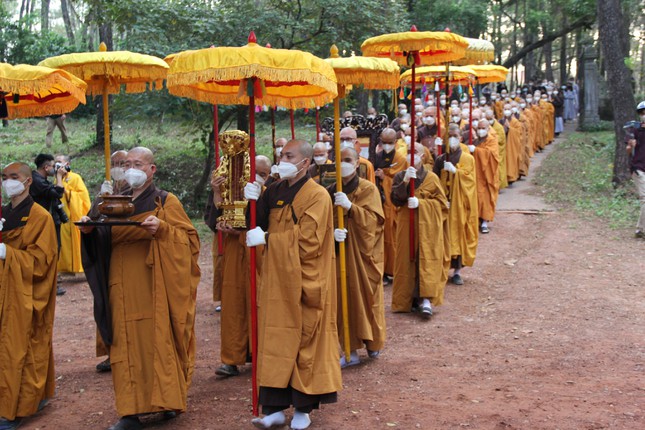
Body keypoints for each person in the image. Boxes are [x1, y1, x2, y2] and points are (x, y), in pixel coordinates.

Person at [78, 147, 200, 430]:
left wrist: (164, 229)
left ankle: (167, 401)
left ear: (152, 169)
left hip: (155, 282)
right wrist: (89, 231)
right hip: (120, 282)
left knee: (159, 340)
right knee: (125, 345)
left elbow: (190, 242)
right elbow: (99, 234)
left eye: (138, 164)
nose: (131, 168)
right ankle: (130, 412)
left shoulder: (164, 201)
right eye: (127, 163)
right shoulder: (110, 202)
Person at [244, 139, 342, 430]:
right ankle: (273, 408)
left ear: (306, 162)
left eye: (289, 155)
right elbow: (257, 222)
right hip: (277, 279)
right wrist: (251, 198)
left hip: (305, 278)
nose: (282, 159)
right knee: (275, 339)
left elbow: (309, 240)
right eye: (281, 154)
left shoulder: (318, 195)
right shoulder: (274, 189)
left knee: (304, 341)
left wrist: (270, 240)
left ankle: (303, 410)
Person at [0, 162, 58, 430]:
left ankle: (14, 410)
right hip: (4, 292)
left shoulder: (39, 217)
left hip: (23, 296)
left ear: (27, 181)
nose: (7, 182)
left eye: (13, 177)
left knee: (19, 349)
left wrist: (7, 253)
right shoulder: (5, 214)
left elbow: (41, 261)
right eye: (4, 177)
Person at [327, 147, 386, 368]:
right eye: (339, 160)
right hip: (339, 252)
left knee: (367, 299)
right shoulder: (330, 190)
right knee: (343, 301)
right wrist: (332, 231)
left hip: (361, 255)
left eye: (348, 160)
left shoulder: (367, 189)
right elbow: (322, 221)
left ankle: (372, 343)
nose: (343, 164)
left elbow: (374, 223)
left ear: (357, 163)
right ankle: (349, 350)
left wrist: (351, 208)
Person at [391, 142, 450, 318]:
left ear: (423, 156)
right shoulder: (400, 175)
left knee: (426, 259)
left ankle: (426, 299)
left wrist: (422, 204)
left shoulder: (431, 178)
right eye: (408, 152)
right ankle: (407, 299)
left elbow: (442, 204)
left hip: (427, 227)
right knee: (406, 260)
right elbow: (395, 199)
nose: (411, 155)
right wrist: (406, 181)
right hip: (406, 225)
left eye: (414, 152)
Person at [433, 125, 479, 285]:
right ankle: (443, 268)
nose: (452, 138)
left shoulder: (468, 158)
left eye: (455, 136)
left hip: (459, 204)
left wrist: (456, 172)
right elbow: (435, 180)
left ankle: (458, 271)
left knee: (459, 234)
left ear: (460, 138)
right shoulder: (441, 159)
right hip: (444, 203)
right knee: (443, 236)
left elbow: (470, 180)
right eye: (449, 136)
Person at [30, 153, 67, 296]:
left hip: (50, 220)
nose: (55, 169)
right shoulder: (36, 181)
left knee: (54, 250)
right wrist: (58, 177)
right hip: (43, 222)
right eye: (53, 166)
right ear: (46, 167)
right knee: (48, 251)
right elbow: (57, 193)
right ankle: (47, 283)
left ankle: (51, 281)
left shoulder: (42, 179)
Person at [373, 128, 407, 283]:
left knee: (392, 237)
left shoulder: (400, 158)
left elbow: (401, 181)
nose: (387, 145)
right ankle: (383, 270)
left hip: (392, 204)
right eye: (384, 142)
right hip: (380, 201)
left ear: (395, 142)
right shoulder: (377, 156)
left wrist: (385, 177)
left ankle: (393, 270)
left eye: (390, 143)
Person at [54, 155, 91, 275]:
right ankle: (65, 267)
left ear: (67, 164)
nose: (57, 164)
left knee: (75, 242)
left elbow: (82, 196)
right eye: (56, 162)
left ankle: (78, 267)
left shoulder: (75, 178)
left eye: (60, 162)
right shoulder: (57, 179)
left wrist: (67, 191)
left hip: (74, 214)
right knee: (63, 243)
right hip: (62, 214)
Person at [470, 119, 500, 234]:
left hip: (488, 174)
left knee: (486, 198)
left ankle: (485, 222)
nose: (481, 130)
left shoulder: (492, 140)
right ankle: (477, 219)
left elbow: (491, 155)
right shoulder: (477, 140)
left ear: (488, 129)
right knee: (477, 198)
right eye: (479, 128)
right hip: (477, 174)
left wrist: (476, 150)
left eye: (483, 128)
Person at [627, 101, 645, 238]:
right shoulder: (634, 130)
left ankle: (640, 229)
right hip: (639, 169)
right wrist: (630, 146)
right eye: (642, 113)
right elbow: (628, 150)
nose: (644, 115)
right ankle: (641, 229)